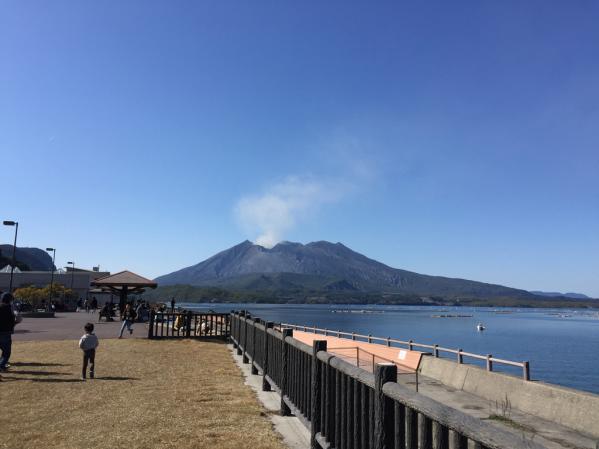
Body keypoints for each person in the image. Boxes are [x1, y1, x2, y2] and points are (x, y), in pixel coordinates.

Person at [0, 293, 17, 372]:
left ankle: (2, 366)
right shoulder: (10, 308)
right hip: (5, 332)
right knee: (6, 352)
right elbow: (16, 319)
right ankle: (1, 365)